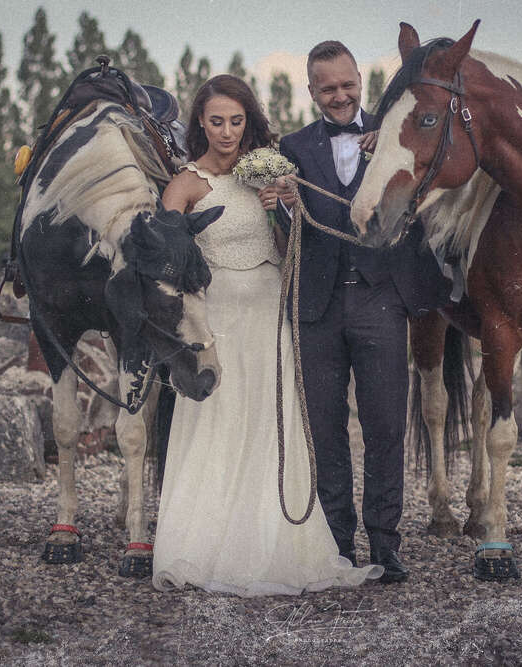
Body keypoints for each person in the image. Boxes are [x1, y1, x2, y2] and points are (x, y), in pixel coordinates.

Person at [152, 74, 383, 596]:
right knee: (220, 422)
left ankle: (275, 540)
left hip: (270, 312)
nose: (227, 132)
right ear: (200, 124)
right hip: (218, 320)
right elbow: (166, 260)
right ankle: (210, 542)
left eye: (236, 121)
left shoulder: (272, 171)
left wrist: (284, 206)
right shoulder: (185, 184)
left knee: (272, 422)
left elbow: (291, 244)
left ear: (248, 120)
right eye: (216, 121)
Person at [267, 42, 449, 583]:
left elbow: (423, 196)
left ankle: (386, 544)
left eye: (347, 85)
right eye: (328, 89)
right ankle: (337, 543)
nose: (340, 96)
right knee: (325, 429)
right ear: (312, 92)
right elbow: (288, 234)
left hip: (379, 298)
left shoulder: (394, 133)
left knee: (386, 427)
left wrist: (389, 152)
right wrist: (282, 204)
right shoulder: (292, 148)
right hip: (317, 306)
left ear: (360, 83)